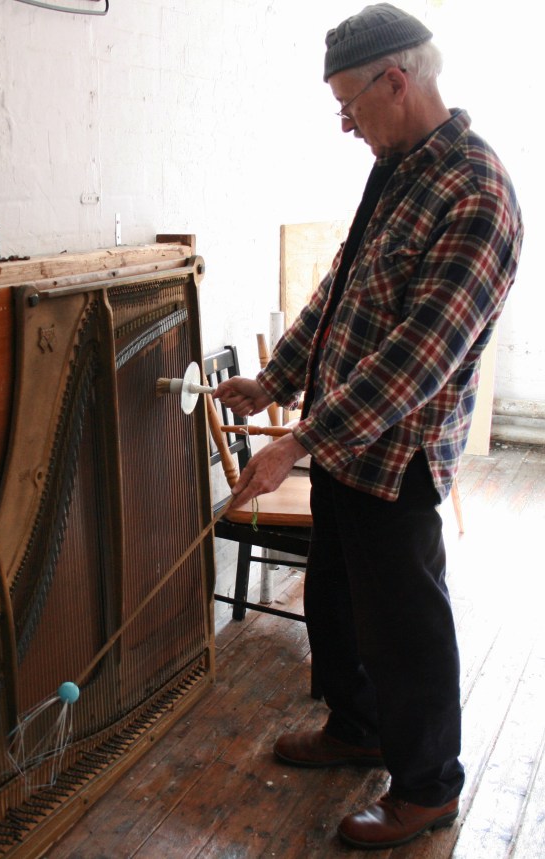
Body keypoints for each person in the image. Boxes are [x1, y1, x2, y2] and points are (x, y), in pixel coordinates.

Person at [214, 3, 523, 850]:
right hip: (344, 443)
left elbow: (418, 358)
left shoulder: (477, 193)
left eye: (350, 104)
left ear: (397, 80)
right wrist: (273, 382)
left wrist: (298, 440)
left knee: (405, 627)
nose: (346, 125)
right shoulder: (396, 166)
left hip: (397, 455)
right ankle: (357, 727)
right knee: (336, 599)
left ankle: (427, 786)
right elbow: (340, 292)